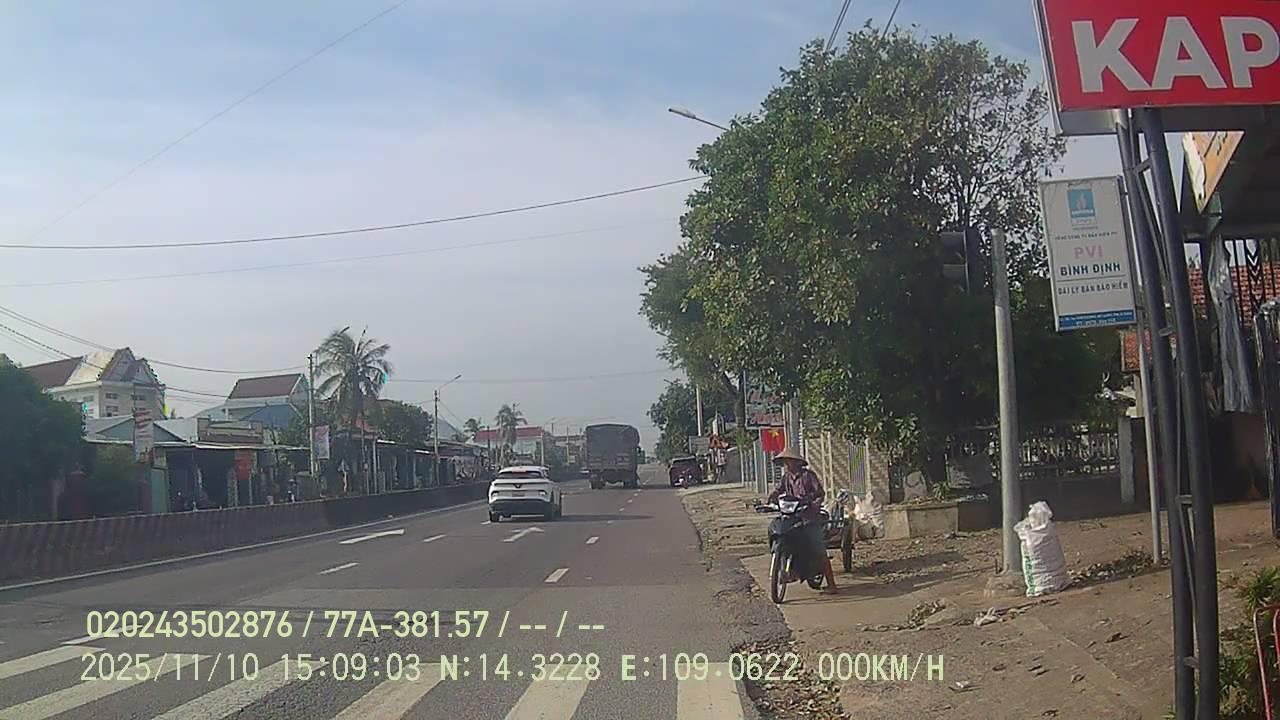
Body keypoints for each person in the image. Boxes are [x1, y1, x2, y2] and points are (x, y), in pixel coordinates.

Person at [766, 445, 838, 594]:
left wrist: (815, 504)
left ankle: (832, 584)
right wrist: (771, 498)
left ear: (797, 462)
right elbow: (778, 490)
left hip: (809, 518)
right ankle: (788, 567)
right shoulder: (786, 478)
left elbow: (820, 493)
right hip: (791, 516)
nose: (787, 465)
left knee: (819, 548)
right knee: (778, 531)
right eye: (785, 462)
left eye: (789, 461)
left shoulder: (808, 476)